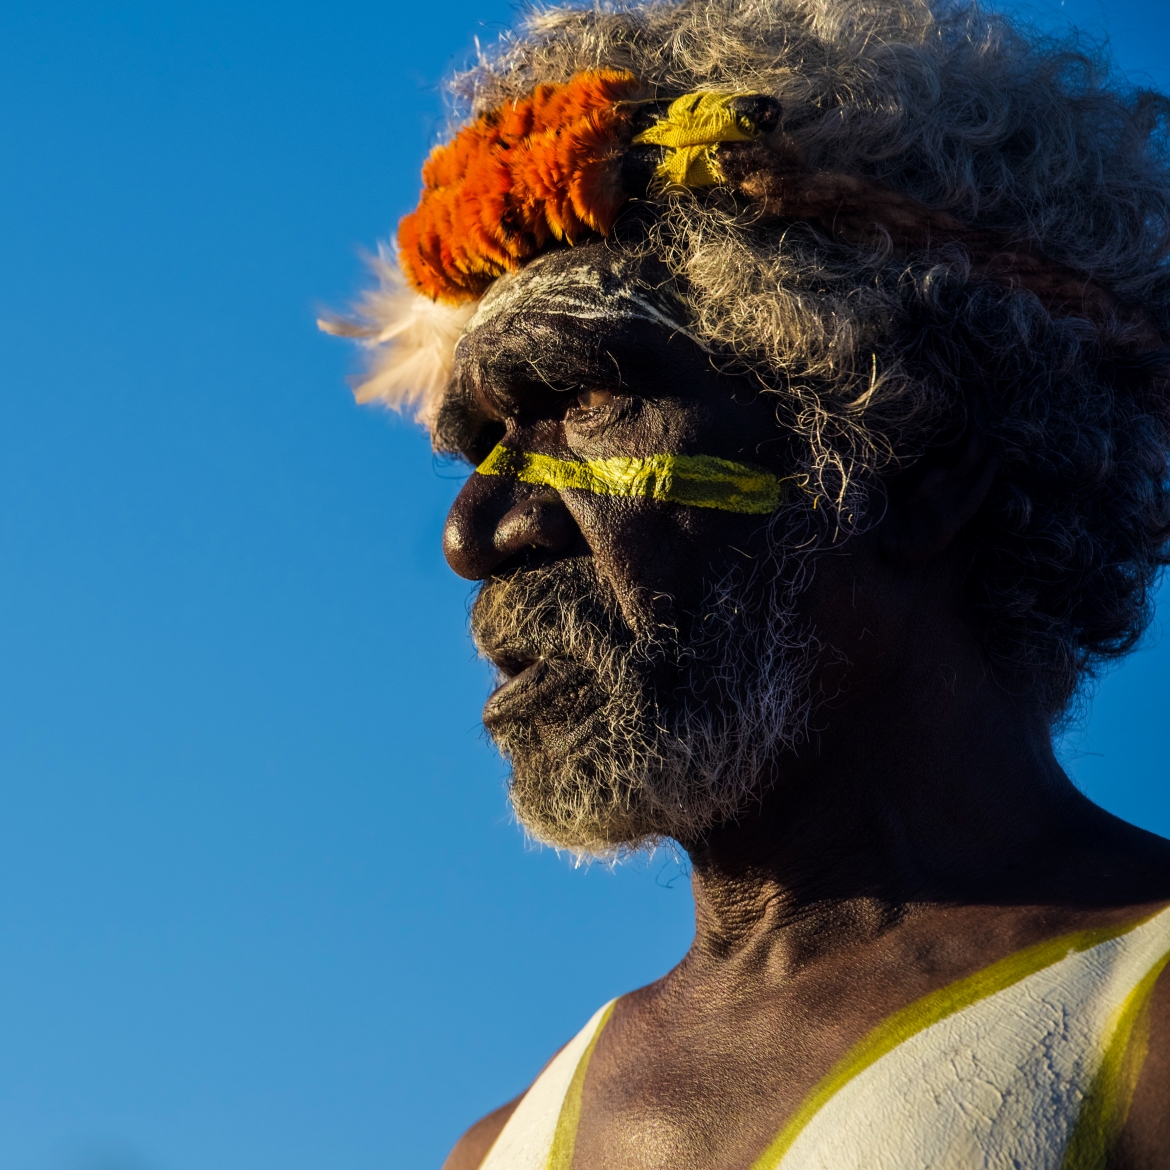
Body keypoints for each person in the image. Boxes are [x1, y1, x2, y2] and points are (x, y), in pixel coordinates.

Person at [323, 0, 1170, 1164]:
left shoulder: (1148, 1028)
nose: (477, 534)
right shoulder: (499, 1150)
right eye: (479, 446)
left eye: (588, 401)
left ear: (919, 471)